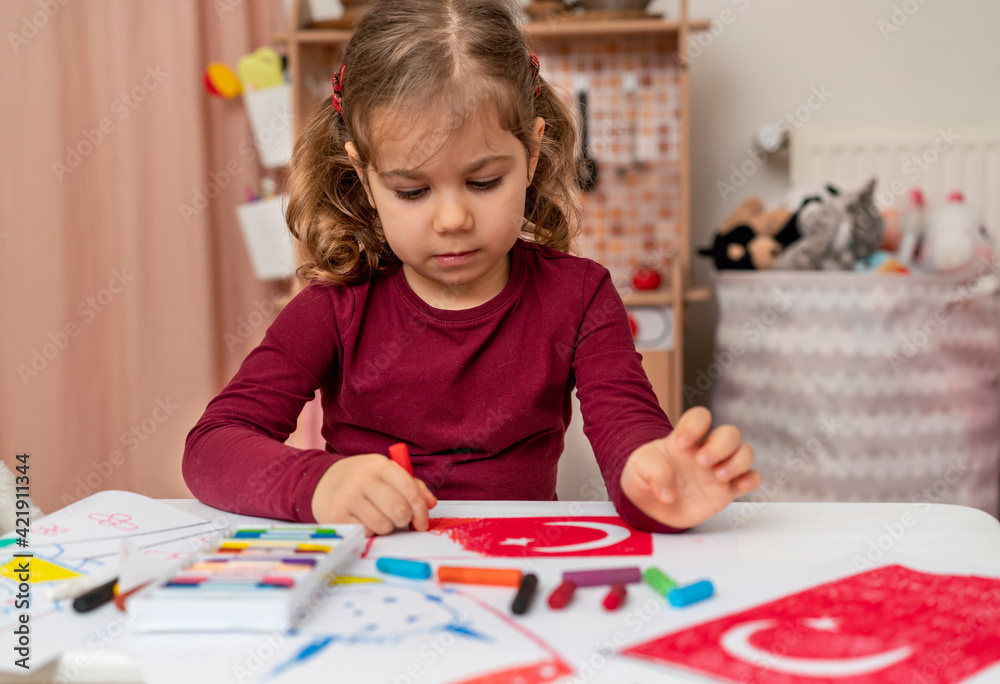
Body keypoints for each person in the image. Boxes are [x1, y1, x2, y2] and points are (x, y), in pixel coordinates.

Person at [183, 0, 760, 536]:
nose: (453, 218)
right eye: (412, 190)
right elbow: (212, 447)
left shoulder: (580, 295)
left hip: (517, 575)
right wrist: (319, 484)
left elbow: (628, 431)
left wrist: (656, 479)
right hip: (372, 585)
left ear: (532, 155)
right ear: (363, 175)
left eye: (484, 182)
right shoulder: (332, 309)